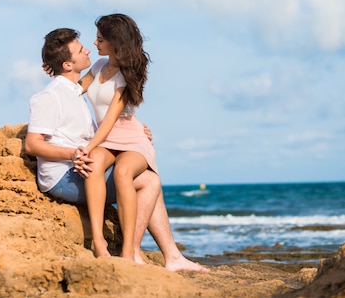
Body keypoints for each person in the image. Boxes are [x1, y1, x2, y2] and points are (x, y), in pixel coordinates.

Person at [25, 27, 209, 272]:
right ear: (68, 64)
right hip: (64, 175)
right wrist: (74, 153)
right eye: (81, 49)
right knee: (149, 182)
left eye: (95, 41)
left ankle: (169, 255)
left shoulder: (74, 89)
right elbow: (32, 144)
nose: (89, 47)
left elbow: (106, 114)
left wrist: (135, 125)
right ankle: (126, 251)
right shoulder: (52, 95)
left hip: (89, 157)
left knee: (142, 177)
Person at [73, 14, 156, 260]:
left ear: (114, 42)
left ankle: (129, 250)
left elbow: (109, 120)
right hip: (105, 140)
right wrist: (57, 74)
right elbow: (76, 88)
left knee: (122, 173)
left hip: (131, 140)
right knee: (94, 164)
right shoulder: (98, 67)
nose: (95, 44)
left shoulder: (124, 75)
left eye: (100, 39)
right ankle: (99, 242)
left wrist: (88, 146)